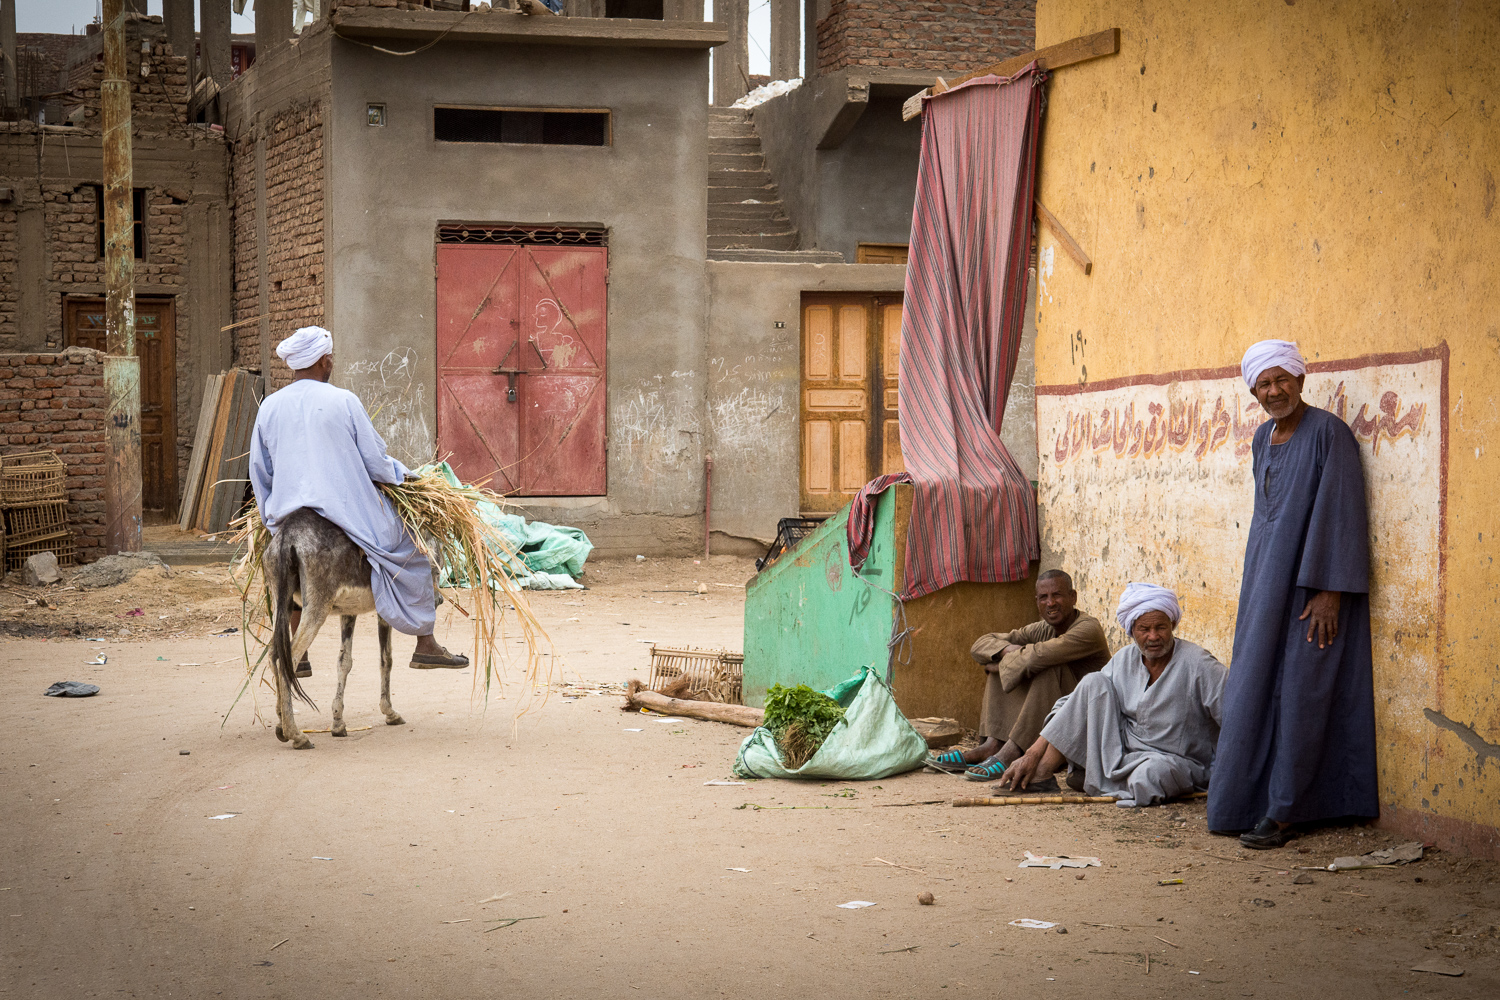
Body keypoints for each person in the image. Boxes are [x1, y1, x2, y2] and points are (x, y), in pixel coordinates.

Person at [1207, 340, 1377, 849]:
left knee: (1305, 693)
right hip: (1266, 583)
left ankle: (1286, 811)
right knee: (1254, 686)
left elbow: (1343, 511)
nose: (1274, 390)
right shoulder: (1262, 438)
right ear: (1253, 391)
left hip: (1314, 588)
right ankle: (1244, 801)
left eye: (1283, 379)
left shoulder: (1330, 434)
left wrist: (1331, 592)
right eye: (1264, 384)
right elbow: (1267, 518)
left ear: (1301, 380)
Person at [249, 326, 468, 673]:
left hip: (286, 515)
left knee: (285, 569)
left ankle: (299, 655)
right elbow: (376, 463)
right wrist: (406, 477)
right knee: (417, 549)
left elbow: (260, 472)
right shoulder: (344, 401)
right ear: (324, 360)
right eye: (330, 357)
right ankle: (425, 642)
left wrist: (271, 520)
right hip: (347, 512)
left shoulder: (269, 407)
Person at [996, 583, 1227, 808]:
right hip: (1122, 753)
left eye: (1161, 627)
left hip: (1172, 760)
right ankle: (1044, 773)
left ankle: (1095, 777)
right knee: (1093, 682)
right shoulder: (1125, 658)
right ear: (1132, 631)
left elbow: (1236, 715)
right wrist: (1033, 752)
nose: (1153, 636)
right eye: (1144, 630)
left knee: (1149, 776)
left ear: (1173, 624)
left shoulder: (1199, 664)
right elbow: (1080, 699)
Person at [928, 570, 1110, 780]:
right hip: (1057, 713)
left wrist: (1003, 662)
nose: (1050, 603)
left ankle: (1011, 751)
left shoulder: (1088, 629)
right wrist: (1005, 653)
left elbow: (1039, 656)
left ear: (1073, 597)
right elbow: (981, 644)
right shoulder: (1043, 628)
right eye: (1044, 598)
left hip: (1087, 718)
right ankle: (991, 745)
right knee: (1006, 660)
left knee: (1045, 665)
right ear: (1037, 602)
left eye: (1057, 595)